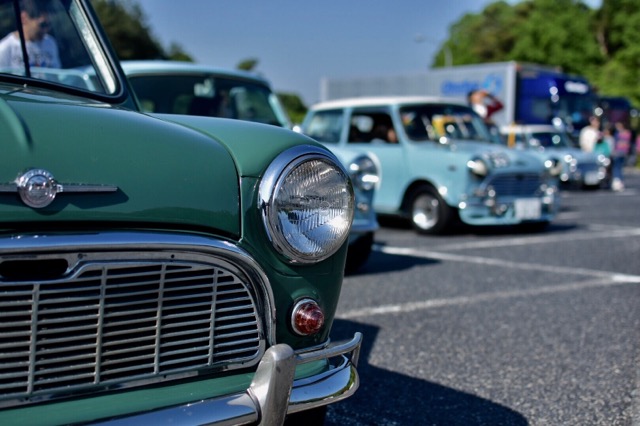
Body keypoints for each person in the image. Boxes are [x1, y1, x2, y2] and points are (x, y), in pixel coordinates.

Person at [0, 0, 61, 69]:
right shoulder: (5, 48)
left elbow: (56, 74)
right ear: (23, 18)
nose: (46, 30)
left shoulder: (50, 42)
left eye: (48, 25)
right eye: (42, 25)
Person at [610, 121, 631, 191]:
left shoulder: (619, 134)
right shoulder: (626, 133)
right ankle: (619, 181)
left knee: (617, 167)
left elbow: (618, 143)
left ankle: (618, 181)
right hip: (622, 152)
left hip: (620, 153)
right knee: (619, 167)